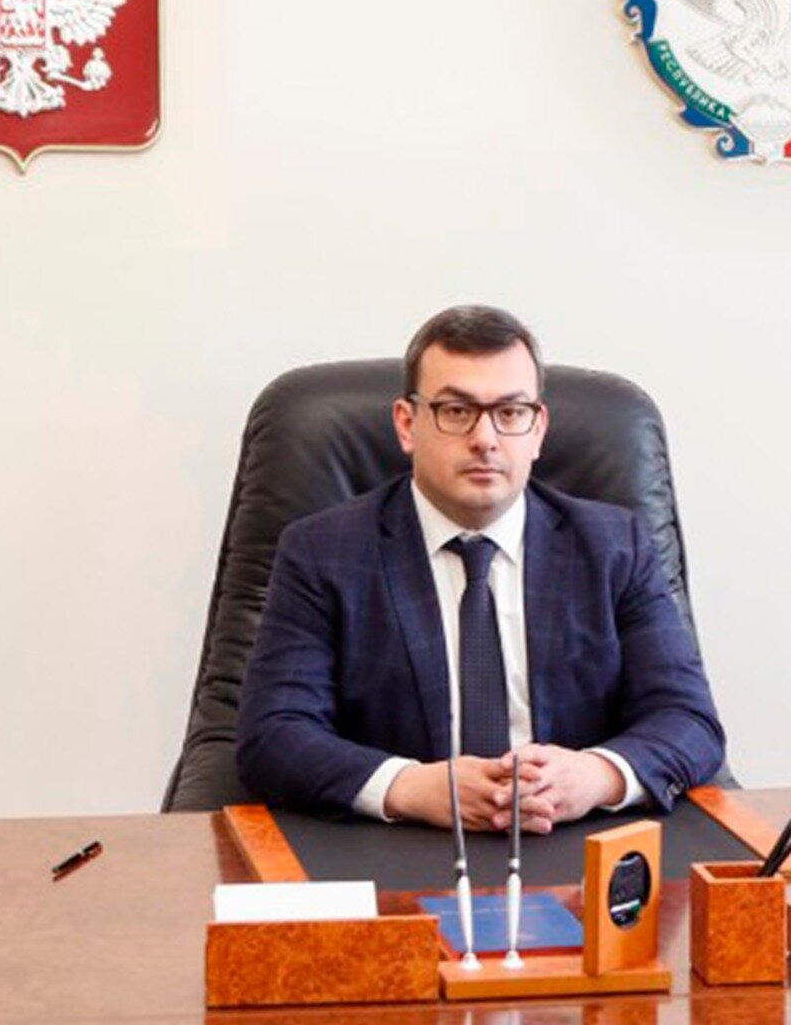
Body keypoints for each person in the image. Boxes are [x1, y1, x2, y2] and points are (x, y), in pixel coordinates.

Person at [236, 305, 725, 832]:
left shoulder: (615, 546)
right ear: (407, 424)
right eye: (456, 410)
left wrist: (594, 776)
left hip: (571, 840)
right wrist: (409, 787)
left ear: (538, 430)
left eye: (510, 413)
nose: (486, 438)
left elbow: (688, 720)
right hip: (399, 843)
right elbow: (275, 734)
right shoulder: (322, 551)